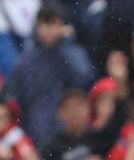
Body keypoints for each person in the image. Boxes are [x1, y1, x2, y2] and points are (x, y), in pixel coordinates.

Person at [8, 3, 93, 147]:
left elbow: (84, 79)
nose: (48, 30)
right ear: (37, 27)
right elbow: (15, 99)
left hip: (68, 136)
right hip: (34, 134)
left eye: (54, 24)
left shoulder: (72, 53)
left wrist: (65, 43)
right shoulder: (25, 61)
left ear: (62, 26)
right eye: (44, 24)